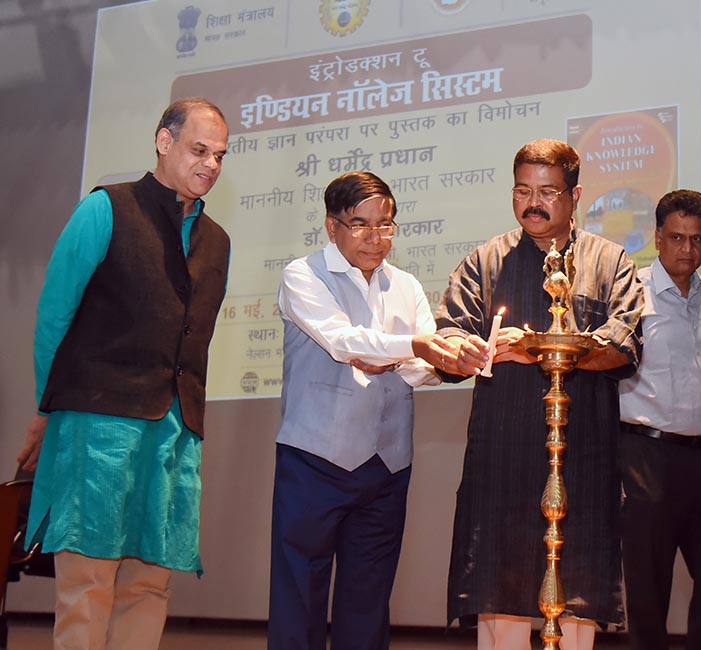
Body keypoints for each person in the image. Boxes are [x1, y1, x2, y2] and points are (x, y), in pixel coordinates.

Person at [16, 97, 231, 650]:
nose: (210, 164)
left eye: (220, 156)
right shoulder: (105, 209)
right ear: (164, 141)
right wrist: (47, 410)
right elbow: (54, 314)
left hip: (174, 430)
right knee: (88, 578)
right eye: (199, 150)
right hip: (97, 421)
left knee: (150, 580)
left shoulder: (218, 242)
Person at [435, 139, 644, 649]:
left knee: (578, 599)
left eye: (548, 192)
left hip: (584, 457)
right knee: (500, 595)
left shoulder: (609, 260)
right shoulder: (486, 261)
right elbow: (448, 341)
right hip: (503, 455)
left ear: (575, 197)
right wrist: (476, 348)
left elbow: (624, 345)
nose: (534, 202)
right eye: (523, 190)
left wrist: (536, 350)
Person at [267, 171, 455, 650]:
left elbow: (417, 369)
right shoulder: (302, 275)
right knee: (299, 600)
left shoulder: (406, 284)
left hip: (387, 467)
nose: (376, 238)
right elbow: (345, 342)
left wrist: (454, 362)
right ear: (332, 227)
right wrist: (417, 346)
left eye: (387, 224)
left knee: (368, 603)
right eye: (361, 225)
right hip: (314, 462)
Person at [618, 190, 701, 650]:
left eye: (697, 239)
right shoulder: (629, 291)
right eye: (676, 237)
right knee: (649, 588)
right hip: (647, 452)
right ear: (656, 237)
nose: (687, 250)